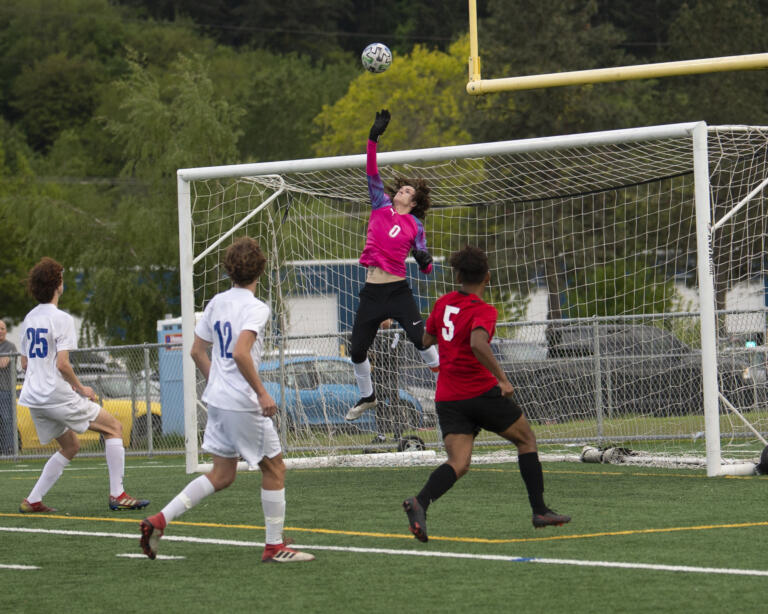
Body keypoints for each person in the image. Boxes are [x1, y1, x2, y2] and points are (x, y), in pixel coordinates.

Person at [140, 237, 314, 564]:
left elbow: (196, 351)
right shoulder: (257, 308)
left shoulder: (217, 302)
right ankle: (274, 545)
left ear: (229, 270)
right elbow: (240, 352)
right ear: (260, 270)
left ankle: (159, 520)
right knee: (275, 467)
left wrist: (217, 381)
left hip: (218, 399)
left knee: (223, 474)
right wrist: (262, 392)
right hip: (240, 401)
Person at [402, 245, 570, 542]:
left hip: (448, 397)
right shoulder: (484, 310)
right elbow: (479, 343)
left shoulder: (442, 304)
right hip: (478, 391)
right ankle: (540, 510)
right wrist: (502, 379)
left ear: (457, 275)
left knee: (459, 463)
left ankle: (420, 502)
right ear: (487, 278)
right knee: (526, 439)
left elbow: (426, 338)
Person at [17, 257, 149, 513]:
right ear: (58, 285)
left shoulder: (29, 319)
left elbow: (24, 364)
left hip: (33, 397)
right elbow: (63, 364)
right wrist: (81, 389)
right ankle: (117, 494)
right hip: (55, 394)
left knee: (71, 446)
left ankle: (32, 500)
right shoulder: (62, 319)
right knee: (114, 428)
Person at [345, 109, 440, 422]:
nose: (401, 191)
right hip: (373, 292)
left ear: (413, 203)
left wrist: (424, 260)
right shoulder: (380, 204)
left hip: (398, 291)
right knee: (357, 350)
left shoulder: (415, 225)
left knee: (421, 340)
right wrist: (374, 136)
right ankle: (368, 396)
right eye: (401, 188)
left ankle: (446, 383)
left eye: (408, 191)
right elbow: (372, 171)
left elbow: (425, 266)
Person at [370, 319, 403, 442]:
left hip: (391, 376)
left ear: (391, 320)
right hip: (378, 376)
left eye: (386, 319)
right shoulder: (376, 334)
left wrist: (377, 355)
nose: (383, 322)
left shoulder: (396, 333)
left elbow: (389, 353)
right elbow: (370, 352)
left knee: (395, 405)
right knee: (379, 406)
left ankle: (398, 434)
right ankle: (381, 435)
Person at [0, 319, 18, 455]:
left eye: (3, 328)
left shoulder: (10, 347)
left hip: (5, 389)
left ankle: (9, 449)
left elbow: (3, 363)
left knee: (7, 419)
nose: (1, 331)